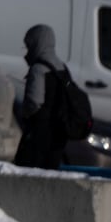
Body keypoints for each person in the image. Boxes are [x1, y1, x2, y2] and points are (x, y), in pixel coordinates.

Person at [14, 23, 69, 169]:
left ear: (36, 44)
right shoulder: (62, 67)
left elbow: (34, 102)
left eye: (28, 46)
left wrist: (24, 114)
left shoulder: (38, 69)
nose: (26, 52)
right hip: (58, 135)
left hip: (39, 135)